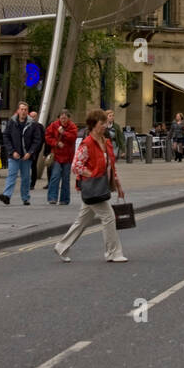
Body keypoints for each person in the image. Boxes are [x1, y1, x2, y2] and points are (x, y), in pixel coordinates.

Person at [54, 109, 127, 263]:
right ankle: (113, 253)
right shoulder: (87, 143)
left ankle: (62, 246)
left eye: (105, 123)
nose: (105, 126)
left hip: (98, 188)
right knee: (109, 216)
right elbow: (76, 166)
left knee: (82, 220)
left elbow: (110, 167)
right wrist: (92, 174)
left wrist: (119, 186)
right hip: (92, 188)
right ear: (93, 125)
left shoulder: (106, 142)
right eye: (102, 123)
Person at [0, 101, 44, 205]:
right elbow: (6, 136)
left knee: (25, 178)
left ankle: (25, 198)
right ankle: (7, 195)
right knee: (11, 175)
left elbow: (37, 140)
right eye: (22, 109)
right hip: (14, 155)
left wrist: (30, 152)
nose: (23, 111)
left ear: (27, 112)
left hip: (26, 156)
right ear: (18, 111)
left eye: (25, 110)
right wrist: (12, 151)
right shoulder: (12, 122)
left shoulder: (32, 124)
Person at [45, 108, 78, 205]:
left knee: (66, 178)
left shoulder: (72, 126)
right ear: (58, 118)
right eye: (61, 118)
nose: (63, 120)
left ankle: (65, 199)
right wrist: (56, 143)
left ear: (69, 118)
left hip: (68, 156)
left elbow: (73, 137)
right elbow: (47, 136)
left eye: (65, 118)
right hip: (56, 155)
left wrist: (64, 133)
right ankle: (52, 198)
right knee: (55, 176)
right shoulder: (54, 125)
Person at [28, 110, 46, 188]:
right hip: (27, 149)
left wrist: (38, 148)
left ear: (36, 117)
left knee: (33, 165)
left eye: (34, 116)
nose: (32, 118)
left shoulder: (39, 126)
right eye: (31, 116)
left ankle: (32, 183)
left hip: (35, 150)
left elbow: (42, 139)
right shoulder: (26, 125)